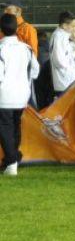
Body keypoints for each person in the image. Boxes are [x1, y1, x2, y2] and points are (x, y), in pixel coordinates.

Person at [0, 13, 40, 176]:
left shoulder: (1, 48)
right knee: (15, 127)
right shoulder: (27, 49)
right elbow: (35, 72)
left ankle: (12, 160)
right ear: (17, 28)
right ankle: (12, 159)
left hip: (4, 95)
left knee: (5, 128)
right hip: (22, 94)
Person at [50, 11, 75, 97]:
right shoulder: (58, 37)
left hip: (68, 81)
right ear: (64, 25)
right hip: (65, 82)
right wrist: (74, 55)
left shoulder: (62, 36)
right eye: (73, 26)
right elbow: (59, 61)